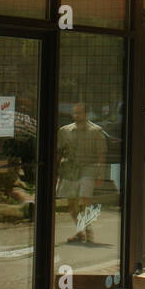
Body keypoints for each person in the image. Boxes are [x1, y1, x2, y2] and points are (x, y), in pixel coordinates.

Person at [56, 102, 108, 243]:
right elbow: (59, 152)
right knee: (71, 206)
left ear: (86, 114)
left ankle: (88, 229)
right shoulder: (65, 131)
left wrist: (100, 174)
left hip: (88, 168)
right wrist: (56, 173)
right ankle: (80, 232)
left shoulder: (96, 131)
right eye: (75, 113)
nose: (76, 115)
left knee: (84, 201)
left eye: (79, 113)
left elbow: (101, 154)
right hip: (70, 170)